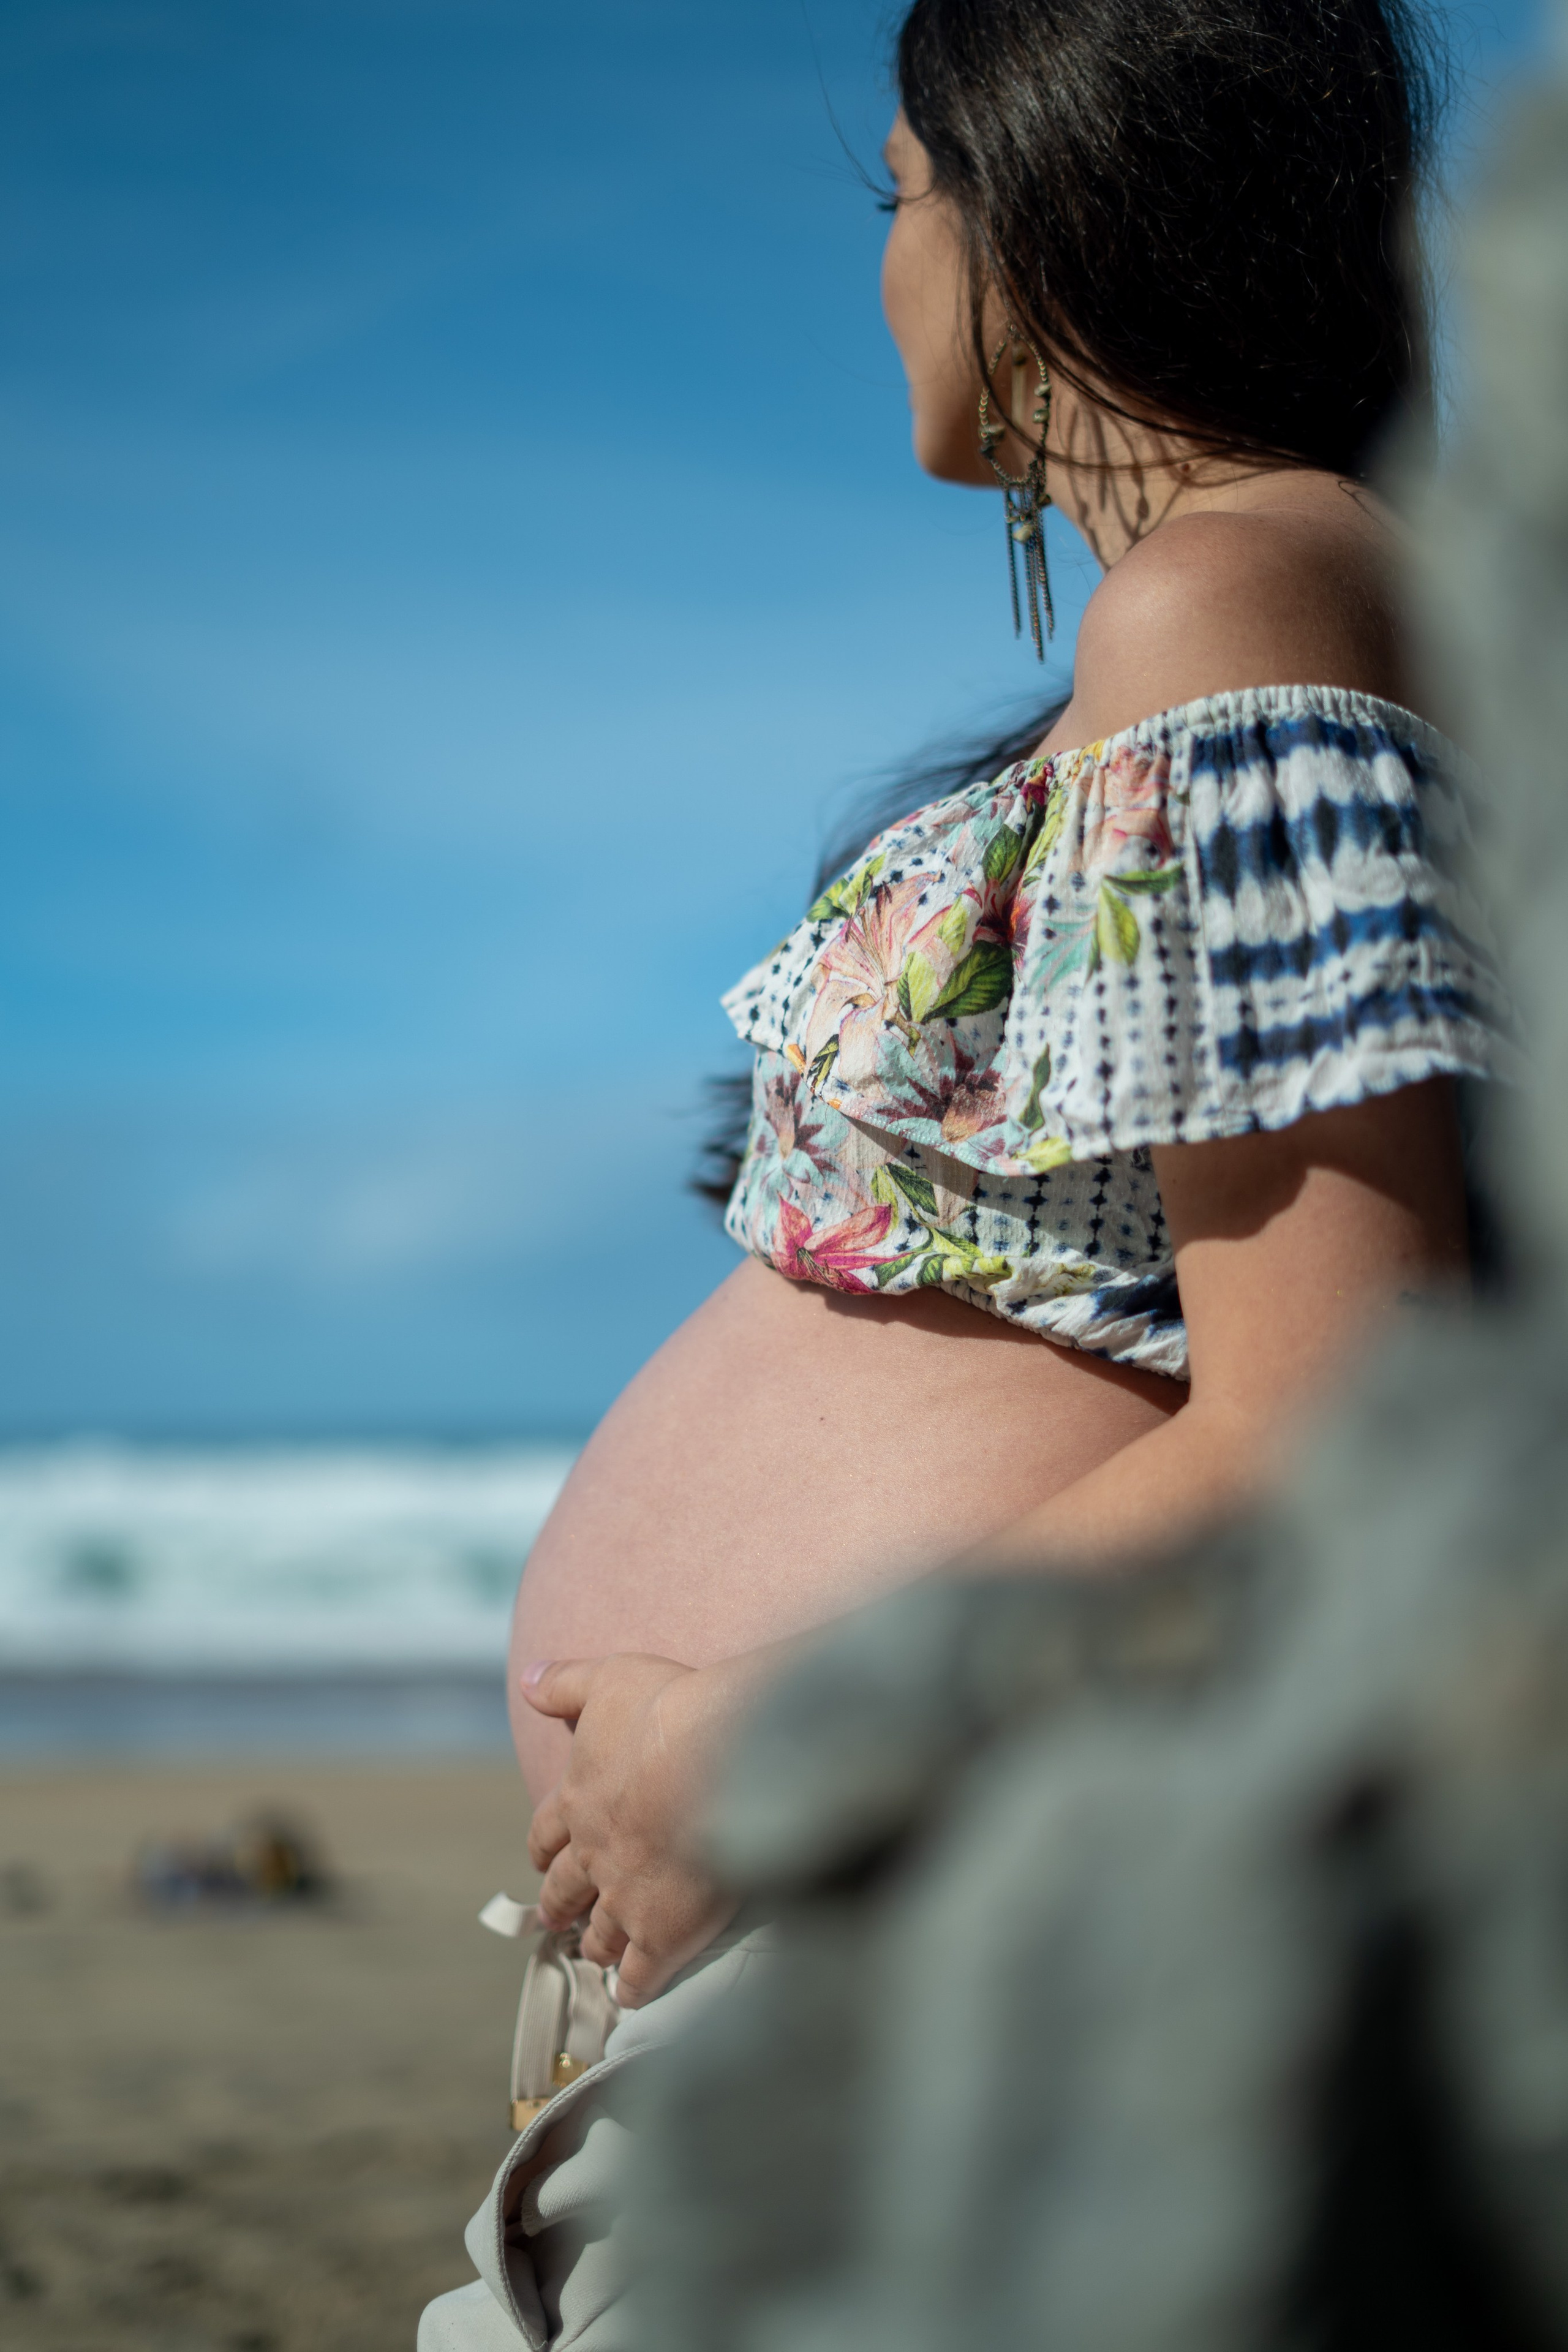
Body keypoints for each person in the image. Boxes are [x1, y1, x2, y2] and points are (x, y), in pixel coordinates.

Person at [420, 2, 1512, 2343]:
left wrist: (760, 1734)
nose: (886, 264)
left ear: (1045, 200)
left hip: (921, 1907)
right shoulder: (1254, 615)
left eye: (901, 190)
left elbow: (1352, 1408)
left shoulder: (1232, 600)